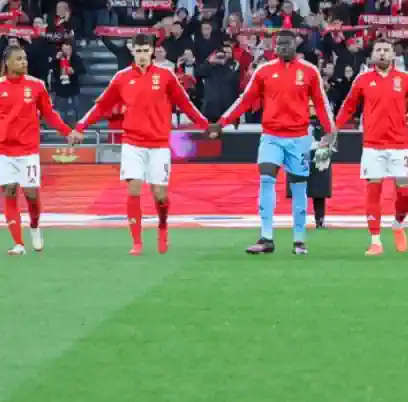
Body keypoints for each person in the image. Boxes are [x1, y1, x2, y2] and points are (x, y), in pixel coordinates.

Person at [69, 34, 215, 255]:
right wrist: (81, 126)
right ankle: (136, 242)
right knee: (134, 188)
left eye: (146, 50)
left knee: (160, 194)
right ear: (132, 52)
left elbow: (184, 103)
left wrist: (204, 124)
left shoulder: (165, 76)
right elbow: (102, 105)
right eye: (138, 51)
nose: (142, 55)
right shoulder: (121, 77)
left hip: (158, 144)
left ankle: (163, 227)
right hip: (132, 142)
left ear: (152, 51)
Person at [214, 30, 336, 257]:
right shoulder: (264, 71)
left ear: (295, 45)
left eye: (287, 44)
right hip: (271, 136)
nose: (283, 48)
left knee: (299, 186)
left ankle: (299, 239)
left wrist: (330, 132)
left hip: (300, 138)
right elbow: (246, 99)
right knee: (266, 176)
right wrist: (222, 123)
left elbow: (321, 103)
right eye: (279, 45)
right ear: (274, 47)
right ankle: (266, 237)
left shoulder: (309, 71)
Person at [335, 38, 408, 256]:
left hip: (399, 144)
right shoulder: (362, 80)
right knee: (373, 190)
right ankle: (375, 240)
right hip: (373, 145)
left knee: (404, 193)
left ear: (393, 55)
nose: (382, 54)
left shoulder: (405, 79)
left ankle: (398, 224)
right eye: (378, 50)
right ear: (372, 55)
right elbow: (348, 107)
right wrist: (334, 130)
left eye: (386, 50)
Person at [0, 46, 73, 255]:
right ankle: (18, 243)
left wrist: (67, 131)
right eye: (19, 59)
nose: (24, 62)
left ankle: (34, 225)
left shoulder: (36, 86)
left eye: (24, 58)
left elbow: (49, 114)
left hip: (28, 150)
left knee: (31, 195)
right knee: (10, 191)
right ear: (7, 63)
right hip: (4, 150)